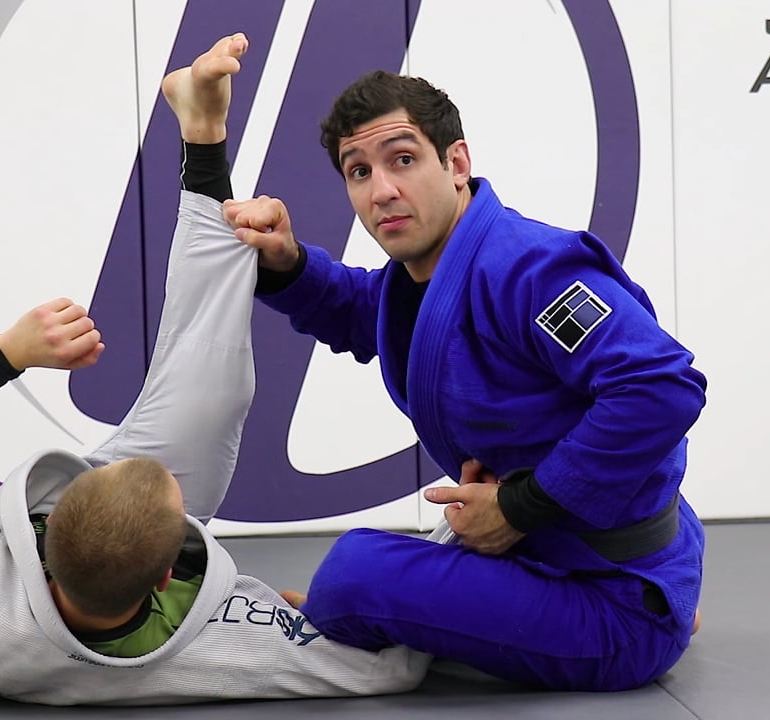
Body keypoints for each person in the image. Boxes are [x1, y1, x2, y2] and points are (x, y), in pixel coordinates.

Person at [0, 34, 428, 705]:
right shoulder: (216, 644)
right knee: (215, 394)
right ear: (169, 574)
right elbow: (389, 668)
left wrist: (6, 354)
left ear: (47, 525)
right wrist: (329, 621)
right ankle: (203, 134)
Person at [222, 45, 709, 691]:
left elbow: (661, 387)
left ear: (456, 163)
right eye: (359, 171)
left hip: (611, 600)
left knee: (352, 576)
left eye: (402, 159)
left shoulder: (533, 270)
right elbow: (367, 312)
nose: (382, 191)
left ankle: (655, 620)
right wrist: (286, 262)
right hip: (563, 553)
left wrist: (519, 506)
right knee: (370, 576)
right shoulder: (425, 272)